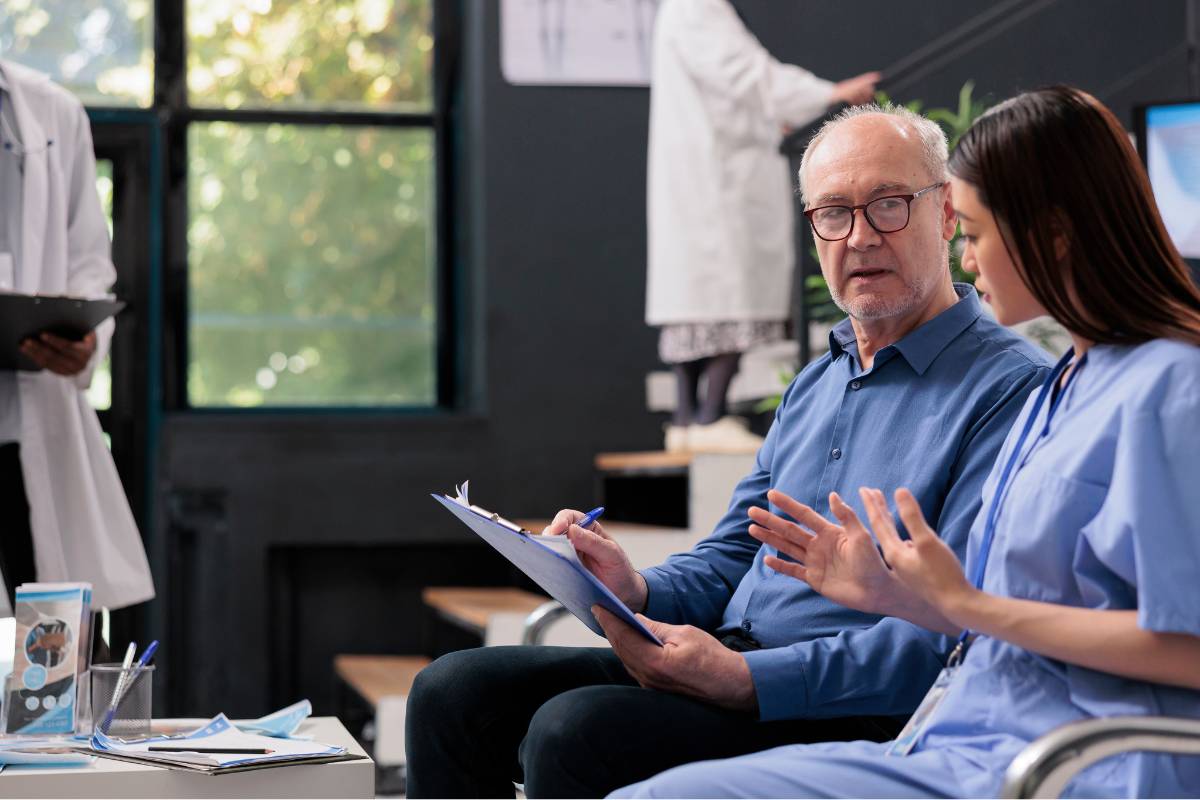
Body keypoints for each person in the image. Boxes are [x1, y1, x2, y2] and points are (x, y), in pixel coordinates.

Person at [406, 104, 1053, 798]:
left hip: (852, 706)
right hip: (734, 659)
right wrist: (635, 588)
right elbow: (734, 553)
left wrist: (748, 682)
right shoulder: (820, 379)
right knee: (452, 691)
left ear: (947, 215)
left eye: (888, 205)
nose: (860, 237)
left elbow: (959, 633)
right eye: (833, 213)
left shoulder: (1008, 390)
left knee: (575, 732)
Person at [614, 86, 1200, 799]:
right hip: (962, 736)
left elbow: (1186, 646)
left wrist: (966, 607)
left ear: (1053, 236)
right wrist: (894, 592)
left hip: (1068, 765)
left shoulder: (1169, 389)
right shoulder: (1071, 384)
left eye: (975, 232)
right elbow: (993, 610)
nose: (968, 260)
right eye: (834, 215)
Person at [645, 0, 879, 453]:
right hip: (719, 177)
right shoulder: (697, 9)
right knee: (726, 291)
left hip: (708, 171)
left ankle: (688, 417)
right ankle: (707, 415)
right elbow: (748, 74)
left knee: (704, 296)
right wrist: (828, 93)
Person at [0, 59, 154, 613]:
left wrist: (85, 343)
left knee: (45, 662)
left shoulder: (52, 112)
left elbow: (90, 263)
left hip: (27, 426)